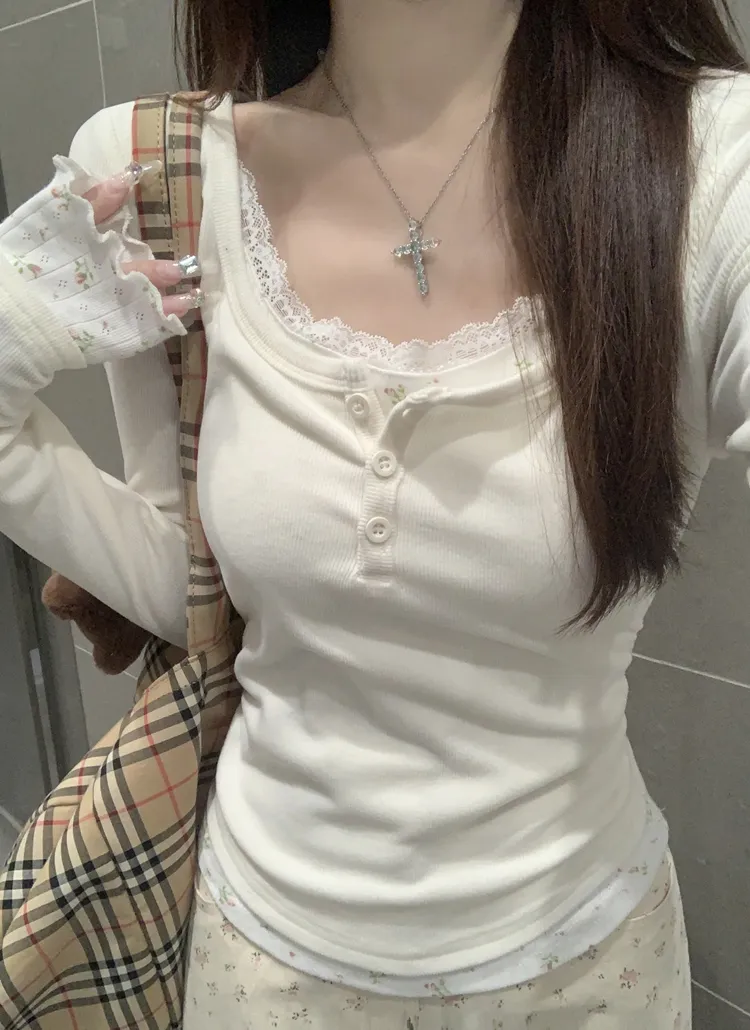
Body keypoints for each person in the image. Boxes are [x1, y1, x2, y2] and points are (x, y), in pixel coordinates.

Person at [1, 0, 749, 1025]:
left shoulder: (710, 158)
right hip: (263, 967)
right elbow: (192, 587)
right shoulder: (156, 173)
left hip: (587, 971)